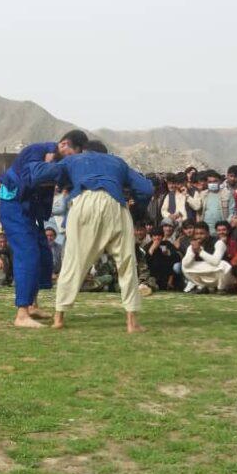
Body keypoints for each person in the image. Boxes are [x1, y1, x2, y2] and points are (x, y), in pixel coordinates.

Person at [28, 142, 155, 333]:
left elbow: (40, 175)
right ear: (107, 153)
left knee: (73, 261)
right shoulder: (118, 162)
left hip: (83, 203)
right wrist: (137, 208)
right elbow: (146, 189)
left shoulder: (73, 160)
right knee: (127, 264)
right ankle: (132, 322)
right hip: (115, 204)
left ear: (84, 150)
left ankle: (59, 318)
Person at [0, 134, 82, 328]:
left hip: (30, 211)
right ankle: (21, 314)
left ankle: (33, 305)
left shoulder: (59, 162)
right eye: (71, 155)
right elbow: (33, 176)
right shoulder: (36, 150)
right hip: (13, 206)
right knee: (28, 254)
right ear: (63, 144)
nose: (71, 160)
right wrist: (54, 166)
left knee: (43, 253)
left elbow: (66, 182)